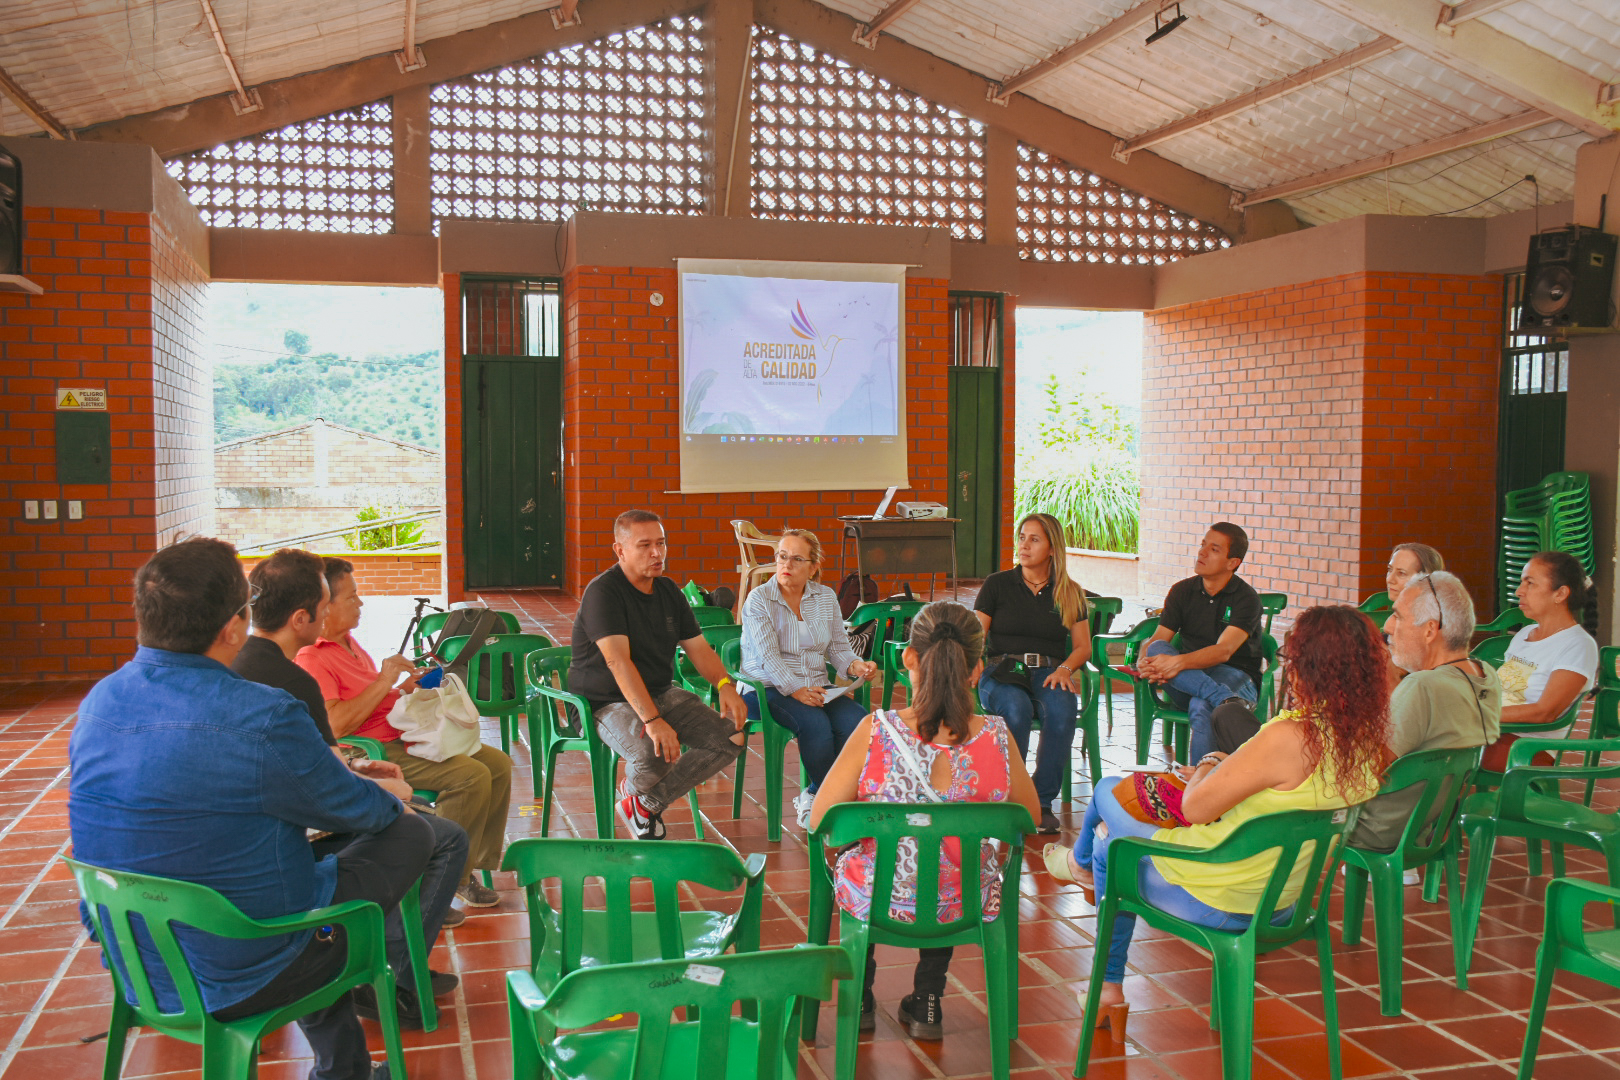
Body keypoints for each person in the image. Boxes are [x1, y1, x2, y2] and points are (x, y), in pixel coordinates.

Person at [71, 538, 429, 1080]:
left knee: (275, 869)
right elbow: (360, 812)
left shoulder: (99, 700)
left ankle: (344, 1068)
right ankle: (360, 991)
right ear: (232, 629)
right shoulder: (262, 714)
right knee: (411, 835)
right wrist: (394, 796)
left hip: (136, 956)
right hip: (244, 966)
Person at [1047, 605, 1386, 1038]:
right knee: (1109, 841)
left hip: (1219, 893)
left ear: (1308, 667)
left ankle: (1103, 969)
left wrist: (1208, 762)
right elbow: (1294, 792)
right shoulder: (1365, 742)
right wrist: (1234, 767)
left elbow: (1195, 809)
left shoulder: (1289, 735)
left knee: (1106, 807)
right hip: (1287, 903)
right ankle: (1103, 969)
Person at [233, 548, 470, 1025]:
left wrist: (358, 772)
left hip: (254, 837)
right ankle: (387, 974)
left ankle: (386, 964)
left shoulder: (232, 665)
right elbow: (330, 794)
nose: (332, 612)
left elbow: (318, 765)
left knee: (420, 820)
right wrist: (391, 799)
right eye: (326, 604)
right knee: (435, 836)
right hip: (275, 859)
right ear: (301, 618)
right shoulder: (292, 678)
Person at [811, 602, 1042, 1040]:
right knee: (956, 858)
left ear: (908, 658)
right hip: (964, 903)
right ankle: (929, 1000)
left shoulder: (875, 731)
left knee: (865, 853)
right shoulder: (996, 737)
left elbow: (823, 818)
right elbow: (1027, 818)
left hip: (879, 901)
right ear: (976, 669)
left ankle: (860, 991)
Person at [297, 558, 512, 908]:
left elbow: (372, 701)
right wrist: (385, 680)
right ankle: (440, 878)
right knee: (470, 777)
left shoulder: (350, 645)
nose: (361, 604)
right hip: (366, 751)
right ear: (325, 604)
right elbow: (336, 725)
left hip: (398, 735)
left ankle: (467, 864)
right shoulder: (313, 657)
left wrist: (403, 689)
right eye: (352, 598)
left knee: (498, 764)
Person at [569, 509, 749, 840]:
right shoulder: (603, 592)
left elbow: (698, 648)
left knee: (731, 738)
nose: (657, 553)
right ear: (620, 550)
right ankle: (640, 793)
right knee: (655, 754)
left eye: (661, 543)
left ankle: (644, 803)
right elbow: (618, 663)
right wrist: (653, 722)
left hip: (661, 692)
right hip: (604, 701)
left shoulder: (668, 591)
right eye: (645, 545)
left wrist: (725, 684)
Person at [1349, 571, 1500, 855]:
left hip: (1375, 828)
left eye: (1397, 616)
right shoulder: (1484, 674)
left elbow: (1365, 768)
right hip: (1427, 825)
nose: (1389, 627)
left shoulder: (1423, 687)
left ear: (1431, 630)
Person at [739, 528, 878, 829]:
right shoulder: (759, 599)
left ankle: (816, 794)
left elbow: (839, 648)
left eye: (796, 559)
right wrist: (797, 690)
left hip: (817, 685)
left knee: (859, 723)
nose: (786, 565)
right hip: (766, 687)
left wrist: (856, 666)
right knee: (816, 724)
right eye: (782, 556)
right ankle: (836, 804)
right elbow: (768, 658)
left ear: (813, 567)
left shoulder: (825, 597)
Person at [974, 512, 1093, 834]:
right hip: (1002, 667)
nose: (1024, 545)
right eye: (1022, 537)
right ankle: (1010, 797)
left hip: (1050, 669)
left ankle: (1040, 802)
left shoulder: (1068, 590)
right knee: (1016, 708)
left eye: (1034, 539)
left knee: (1063, 710)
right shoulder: (998, 584)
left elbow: (1083, 647)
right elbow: (977, 633)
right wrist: (974, 659)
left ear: (1052, 548)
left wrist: (1067, 669)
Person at [1138, 522, 1265, 761]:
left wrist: (1178, 663)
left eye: (1214, 549)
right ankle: (1223, 699)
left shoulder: (1246, 598)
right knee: (1155, 649)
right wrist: (1146, 660)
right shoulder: (1181, 591)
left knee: (1201, 705)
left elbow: (1223, 651)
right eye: (1203, 545)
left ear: (1232, 563)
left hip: (1235, 675)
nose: (1202, 552)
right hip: (1187, 679)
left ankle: (1201, 785)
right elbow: (1158, 640)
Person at [1483, 550, 1600, 769]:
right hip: (1494, 730)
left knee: (1436, 750)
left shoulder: (1578, 645)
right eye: (1521, 583)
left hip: (1527, 746)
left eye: (1530, 583)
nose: (1519, 591)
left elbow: (1545, 712)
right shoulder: (1523, 634)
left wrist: (1478, 715)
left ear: (1560, 593)